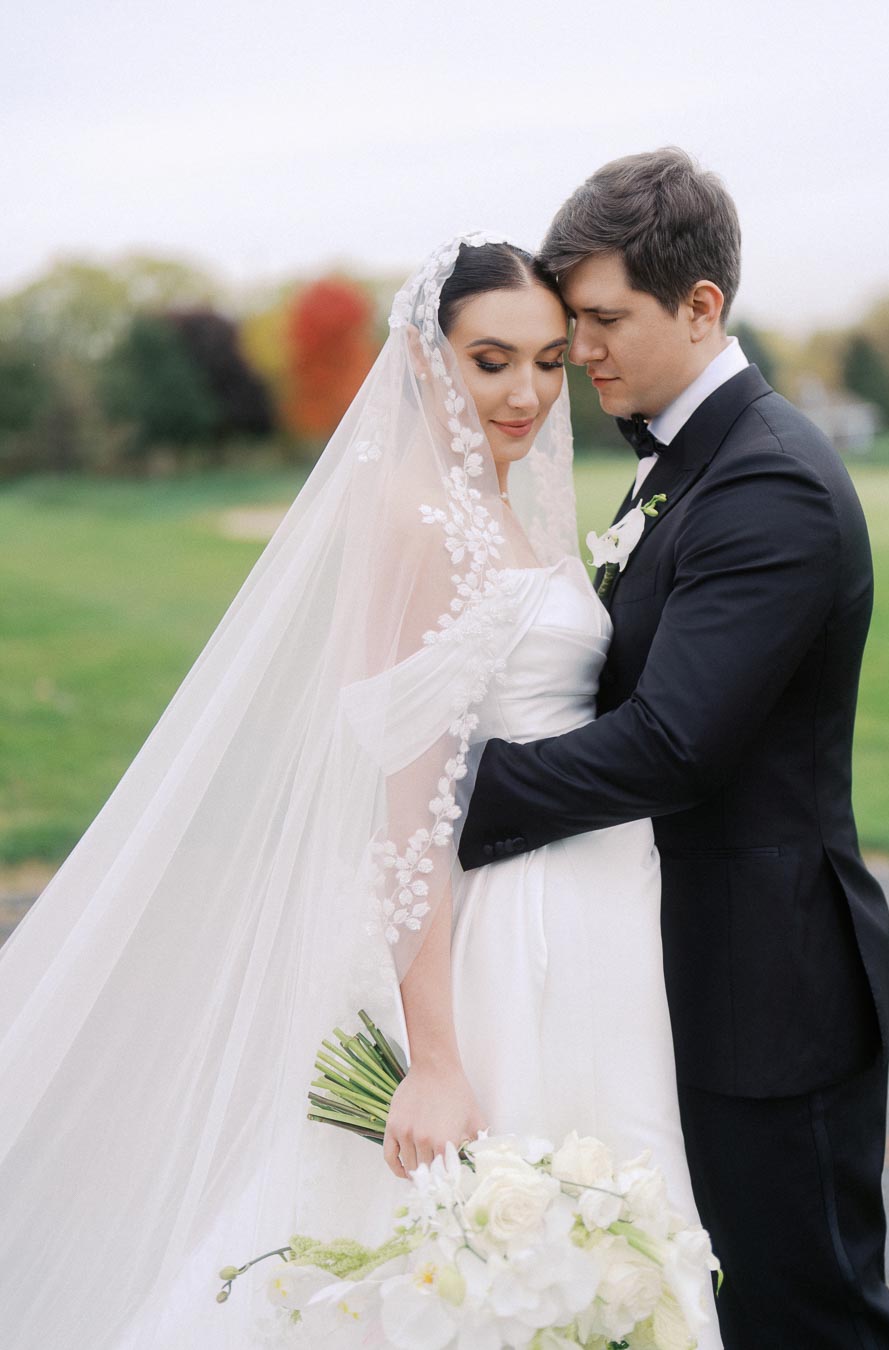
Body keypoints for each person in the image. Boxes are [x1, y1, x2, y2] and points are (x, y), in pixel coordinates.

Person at [0, 232, 723, 1350]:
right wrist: (433, 1058)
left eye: (546, 360)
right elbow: (408, 812)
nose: (527, 391)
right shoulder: (415, 522)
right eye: (491, 361)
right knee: (493, 1244)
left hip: (595, 916)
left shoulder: (511, 510)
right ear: (426, 358)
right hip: (505, 938)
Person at [458, 149, 889, 1347]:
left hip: (773, 990)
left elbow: (671, 743)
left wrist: (464, 800)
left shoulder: (770, 484)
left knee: (809, 1317)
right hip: (680, 973)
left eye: (603, 320)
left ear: (702, 306)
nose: (580, 353)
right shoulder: (679, 467)